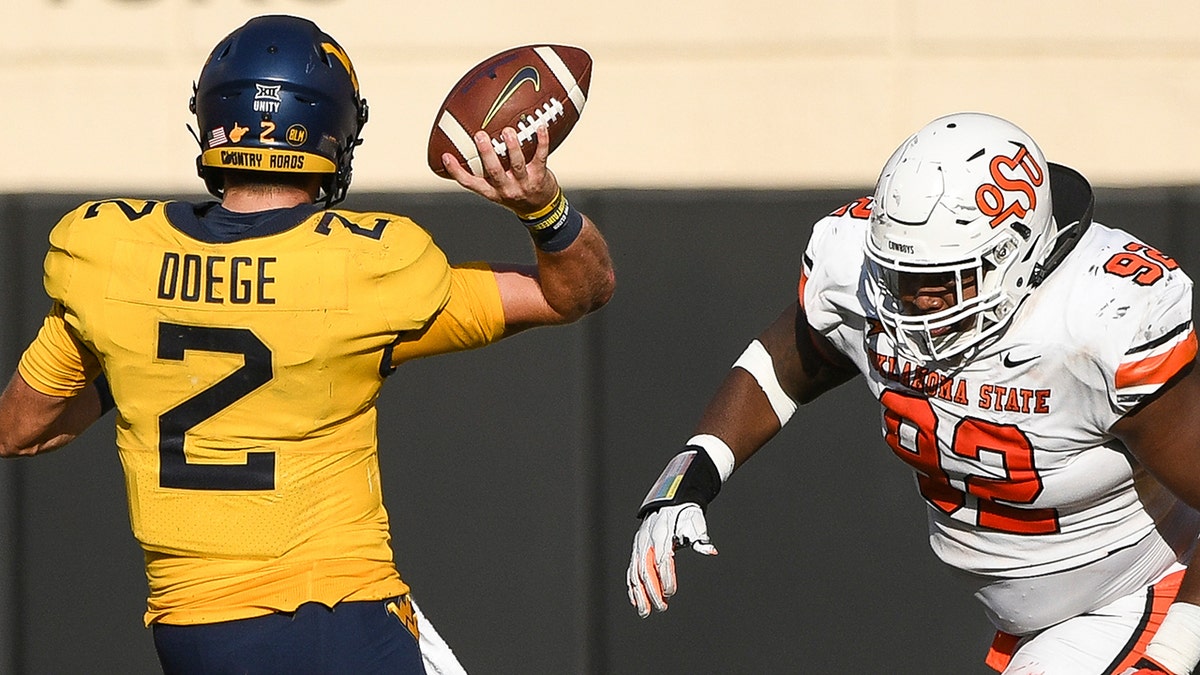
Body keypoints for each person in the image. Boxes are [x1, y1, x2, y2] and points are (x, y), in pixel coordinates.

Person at [0, 14, 613, 675]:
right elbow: (574, 291)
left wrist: (140, 361)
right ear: (333, 131)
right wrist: (542, 206)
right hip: (336, 618)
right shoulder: (368, 268)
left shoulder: (107, 255)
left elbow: (18, 428)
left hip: (189, 633)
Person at [626, 111, 1200, 674]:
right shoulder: (869, 284)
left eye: (943, 281)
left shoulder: (1097, 323)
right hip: (1035, 624)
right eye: (900, 278)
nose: (914, 302)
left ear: (1014, 257)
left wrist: (1171, 653)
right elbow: (793, 359)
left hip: (1134, 597)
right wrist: (691, 472)